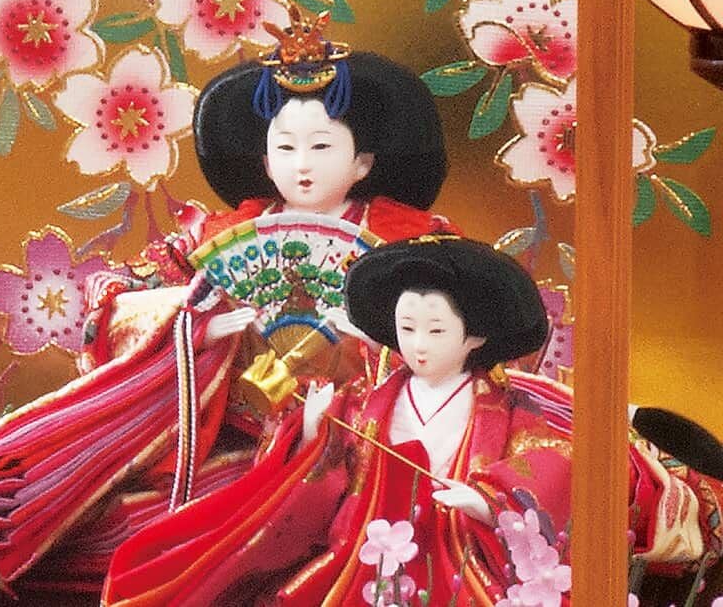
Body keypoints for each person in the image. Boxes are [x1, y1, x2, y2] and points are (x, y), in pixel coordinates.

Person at [0, 9, 458, 594]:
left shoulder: (407, 239)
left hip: (360, 437)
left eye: (322, 145)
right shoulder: (221, 234)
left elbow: (463, 330)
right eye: (285, 147)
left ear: (362, 162)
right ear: (265, 161)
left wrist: (380, 335)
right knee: (122, 527)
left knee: (327, 517)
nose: (302, 164)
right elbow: (113, 302)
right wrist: (194, 325)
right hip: (241, 438)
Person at [102, 235, 723, 606]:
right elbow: (321, 485)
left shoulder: (507, 409)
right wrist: (315, 434)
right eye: (406, 329)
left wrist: (488, 502)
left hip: (461, 556)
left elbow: (553, 464)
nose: (418, 345)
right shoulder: (362, 401)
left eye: (435, 331)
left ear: (475, 336)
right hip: (364, 558)